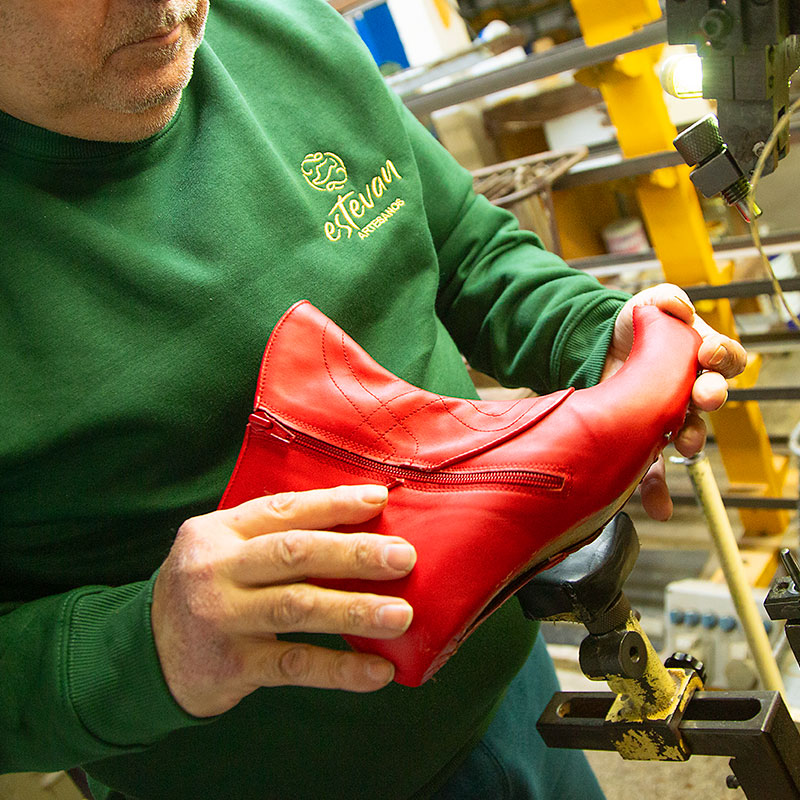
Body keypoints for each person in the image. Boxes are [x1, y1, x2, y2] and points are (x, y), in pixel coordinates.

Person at [0, 1, 746, 799]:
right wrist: (144, 645)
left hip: (514, 695)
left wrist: (595, 334)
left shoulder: (281, 24)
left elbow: (464, 249)